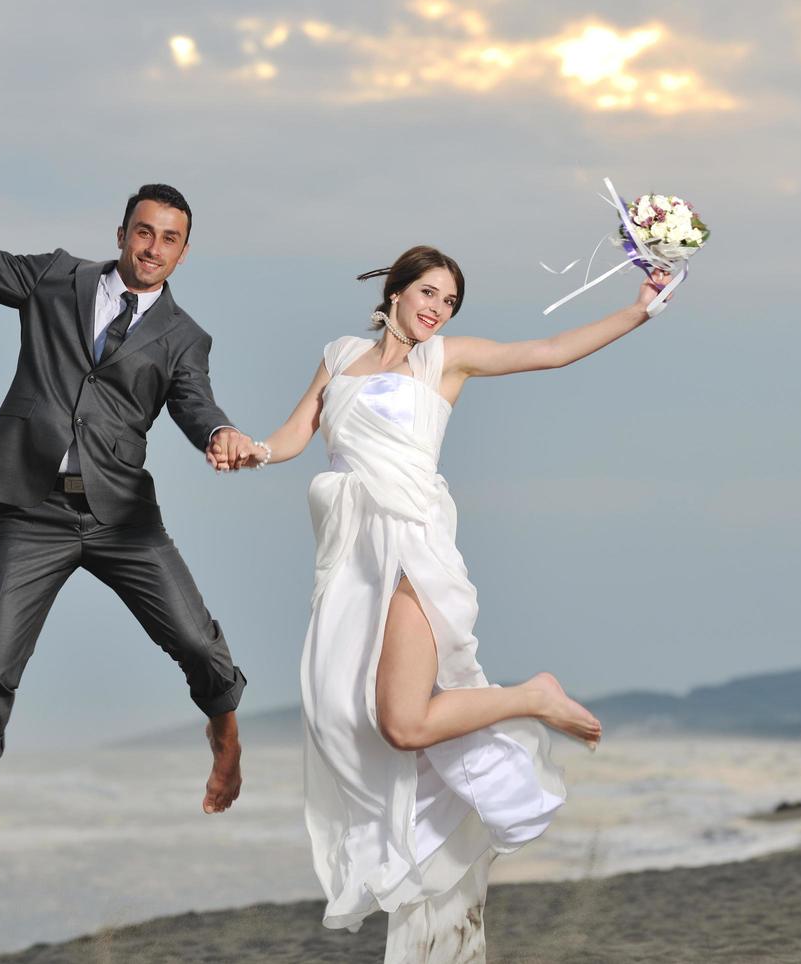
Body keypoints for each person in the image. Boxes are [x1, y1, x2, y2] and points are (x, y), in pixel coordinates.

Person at [0, 143, 257, 888]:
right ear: (121, 231)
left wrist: (220, 434)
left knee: (197, 641)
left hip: (123, 519)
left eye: (169, 238)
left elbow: (196, 405)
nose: (152, 248)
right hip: (32, 509)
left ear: (184, 252)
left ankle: (224, 734)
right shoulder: (56, 278)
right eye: (143, 232)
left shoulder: (186, 338)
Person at [231, 247, 671, 962]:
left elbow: (551, 350)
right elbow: (292, 436)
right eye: (428, 292)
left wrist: (639, 308)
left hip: (413, 547)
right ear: (396, 292)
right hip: (350, 560)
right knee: (347, 719)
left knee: (403, 725)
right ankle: (448, 835)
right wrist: (248, 449)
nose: (437, 308)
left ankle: (532, 696)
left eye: (449, 301)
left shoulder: (449, 361)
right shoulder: (340, 355)